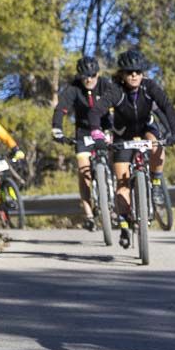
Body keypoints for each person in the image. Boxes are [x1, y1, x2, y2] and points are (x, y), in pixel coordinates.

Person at [87, 49, 175, 248]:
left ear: (142, 73)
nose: (134, 75)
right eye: (129, 72)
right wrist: (97, 135)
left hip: (146, 127)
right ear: (122, 74)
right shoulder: (116, 91)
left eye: (138, 71)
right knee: (122, 183)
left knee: (157, 145)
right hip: (123, 134)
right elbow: (96, 112)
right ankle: (124, 223)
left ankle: (155, 183)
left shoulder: (149, 87)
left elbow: (167, 107)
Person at [51, 56, 119, 230]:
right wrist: (57, 128)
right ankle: (89, 213)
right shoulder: (74, 89)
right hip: (83, 132)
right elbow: (61, 108)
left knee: (116, 161)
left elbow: (119, 102)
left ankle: (116, 203)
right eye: (85, 76)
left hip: (105, 128)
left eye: (93, 75)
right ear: (80, 76)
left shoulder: (105, 84)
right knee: (84, 171)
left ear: (98, 74)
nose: (89, 79)